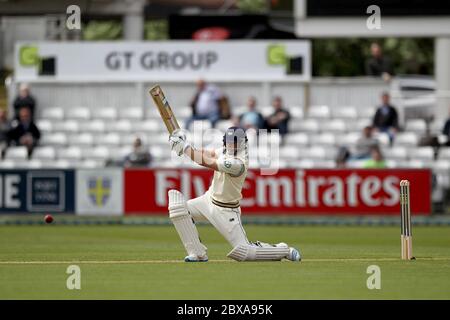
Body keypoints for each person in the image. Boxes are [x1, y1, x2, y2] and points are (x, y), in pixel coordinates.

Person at [166, 126, 301, 262]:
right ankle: (197, 253)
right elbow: (209, 153)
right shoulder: (225, 151)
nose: (231, 145)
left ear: (242, 143)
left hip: (226, 211)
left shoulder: (238, 163)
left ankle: (284, 250)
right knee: (179, 208)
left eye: (235, 142)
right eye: (229, 141)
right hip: (208, 201)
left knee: (245, 252)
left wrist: (185, 148)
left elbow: (208, 162)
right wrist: (186, 146)